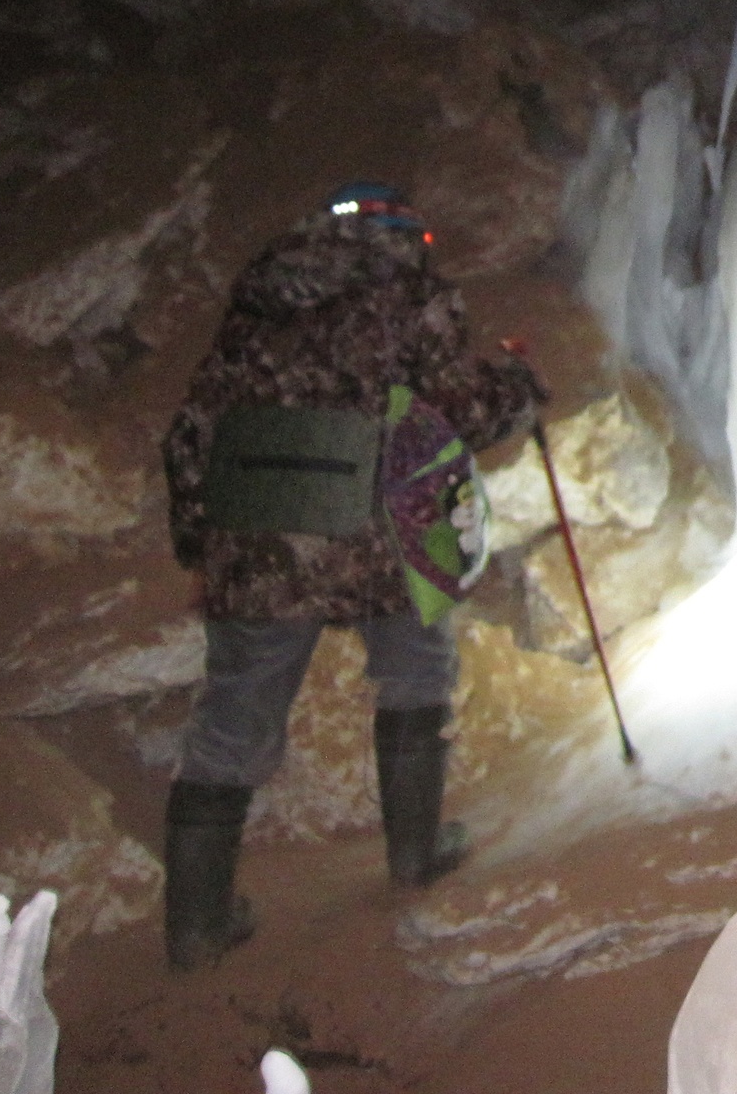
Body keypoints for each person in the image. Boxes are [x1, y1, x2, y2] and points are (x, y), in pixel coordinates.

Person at [158, 182, 541, 971]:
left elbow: (193, 433)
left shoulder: (259, 302)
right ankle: (417, 853)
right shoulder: (411, 295)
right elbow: (457, 409)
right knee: (414, 670)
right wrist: (519, 386)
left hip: (260, 533)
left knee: (232, 718)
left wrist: (202, 547)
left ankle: (195, 927)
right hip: (378, 531)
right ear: (407, 235)